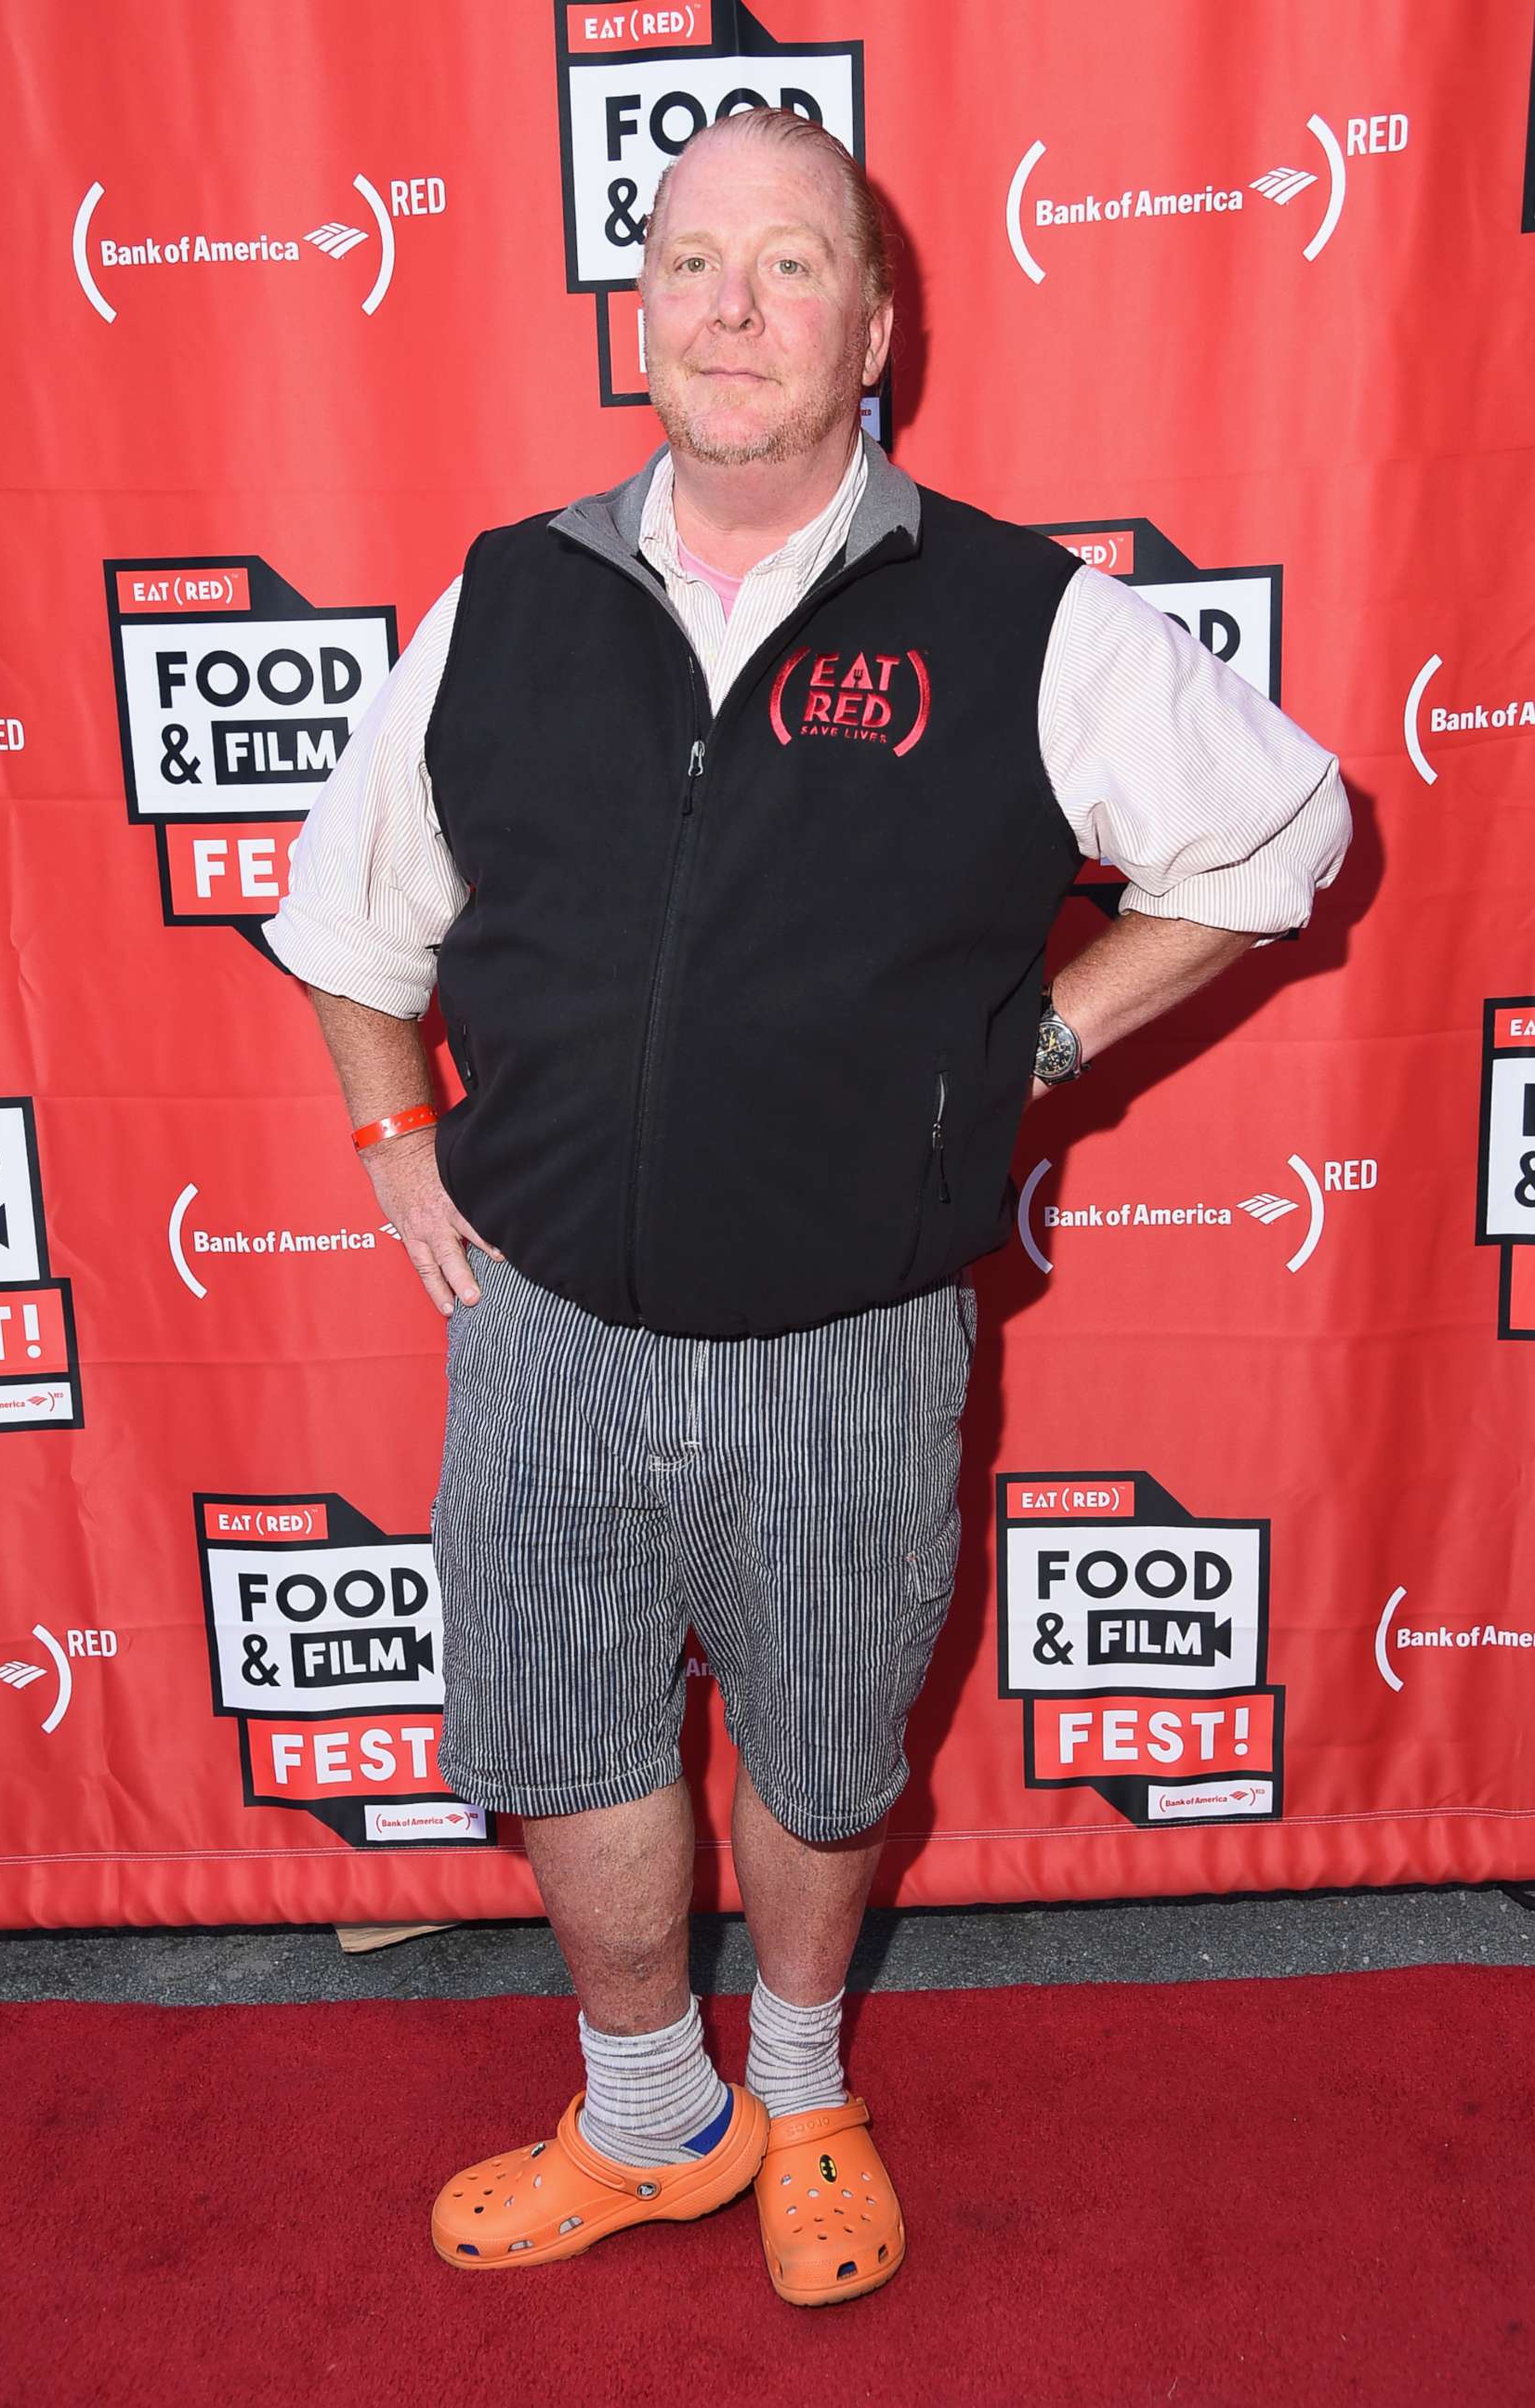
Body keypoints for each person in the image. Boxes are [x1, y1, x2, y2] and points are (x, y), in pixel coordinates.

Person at [266, 106, 1351, 2305]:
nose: (729, 308)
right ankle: (648, 2115)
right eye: (685, 265)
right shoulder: (509, 595)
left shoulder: (1016, 616)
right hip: (548, 1322)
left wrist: (1032, 1047)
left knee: (833, 1755)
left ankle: (803, 2078)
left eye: (786, 265)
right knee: (566, 1740)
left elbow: (1276, 838)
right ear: (632, 313)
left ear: (875, 325)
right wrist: (396, 1150)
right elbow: (349, 921)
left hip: (856, 1333)